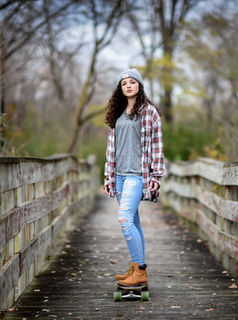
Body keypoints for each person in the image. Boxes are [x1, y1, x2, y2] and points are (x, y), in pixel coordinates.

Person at [103, 68, 165, 287]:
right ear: (120, 88)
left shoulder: (149, 112)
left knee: (124, 219)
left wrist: (156, 175)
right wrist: (108, 176)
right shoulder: (117, 112)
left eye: (132, 82)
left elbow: (157, 145)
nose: (128, 85)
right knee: (134, 223)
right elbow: (112, 148)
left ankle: (139, 272)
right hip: (119, 175)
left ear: (139, 85)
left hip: (137, 176)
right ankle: (136, 267)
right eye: (124, 83)